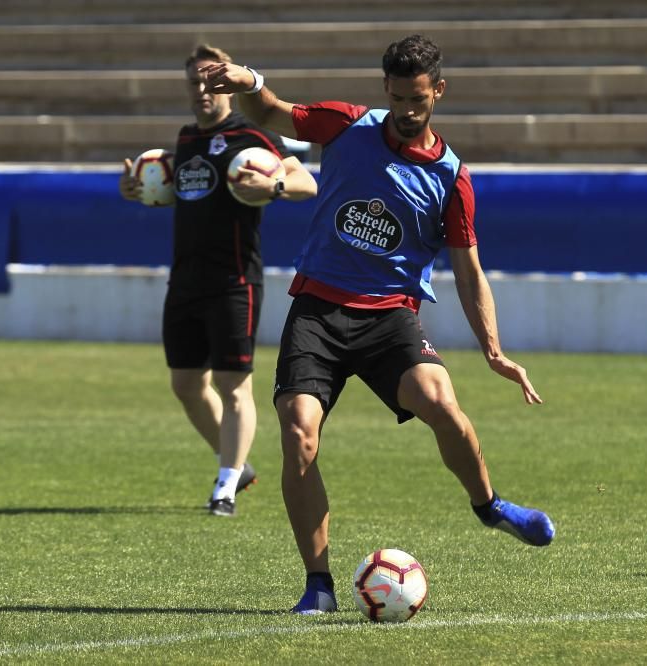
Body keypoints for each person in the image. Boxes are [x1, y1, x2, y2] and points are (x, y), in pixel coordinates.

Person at [203, 34, 555, 612]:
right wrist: (250, 82)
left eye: (417, 99)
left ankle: (490, 505)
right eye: (397, 98)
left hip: (390, 314)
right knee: (298, 434)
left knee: (441, 403)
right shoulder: (348, 125)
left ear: (437, 91)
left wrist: (492, 348)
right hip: (318, 307)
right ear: (385, 90)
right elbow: (274, 113)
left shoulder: (450, 177)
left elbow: (469, 271)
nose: (407, 111)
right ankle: (319, 586)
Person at [119, 44, 318, 517]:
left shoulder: (249, 136)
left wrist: (273, 186)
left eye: (212, 80)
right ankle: (238, 464)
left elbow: (306, 182)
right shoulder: (186, 140)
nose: (203, 89)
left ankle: (225, 486)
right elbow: (185, 193)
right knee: (186, 384)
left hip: (235, 279)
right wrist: (141, 191)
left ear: (227, 85)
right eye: (194, 81)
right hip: (185, 279)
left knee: (233, 385)